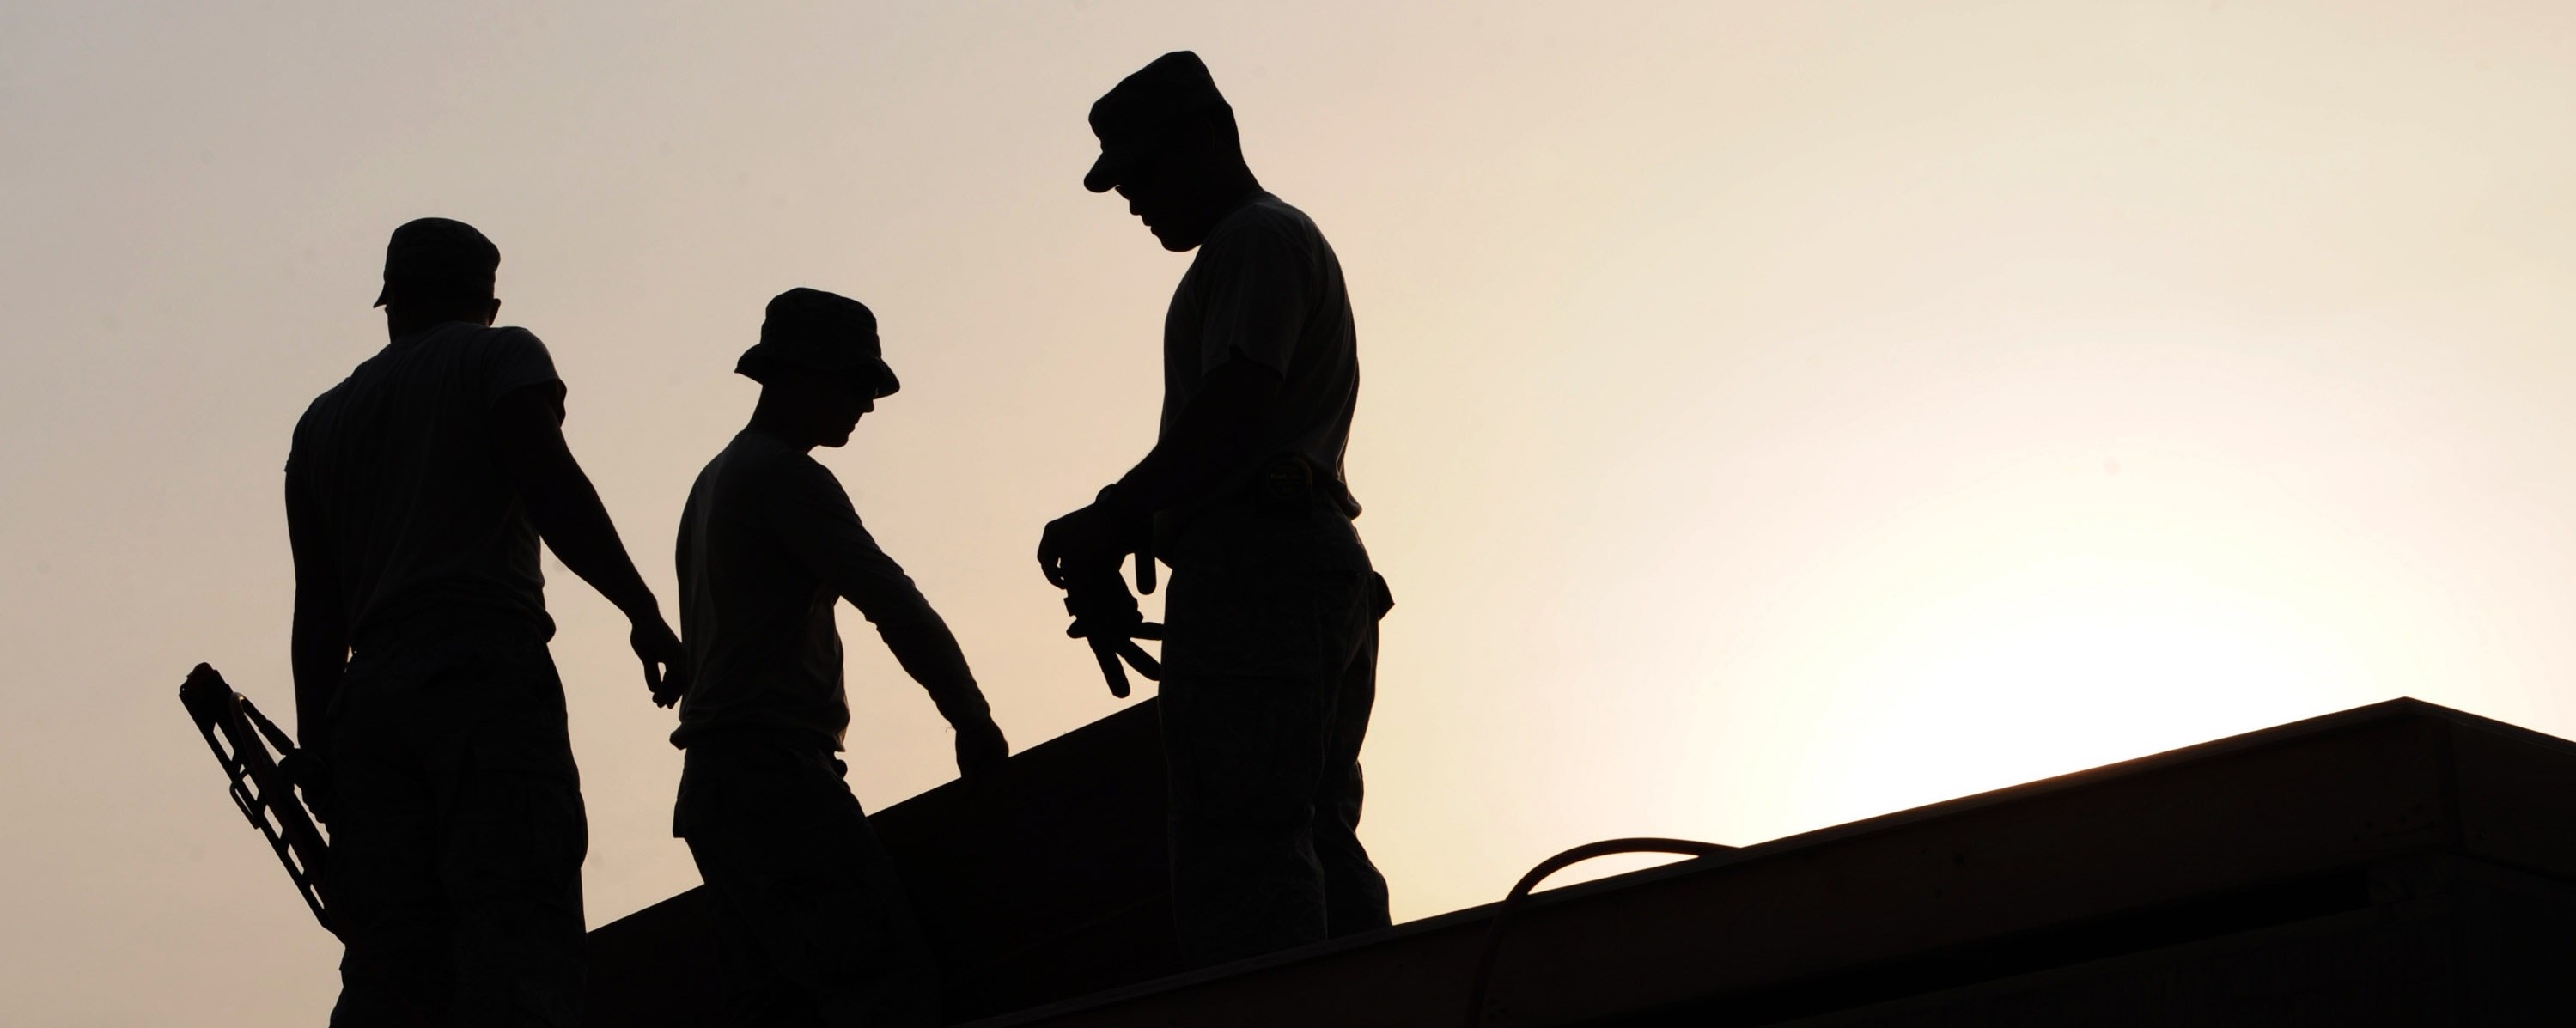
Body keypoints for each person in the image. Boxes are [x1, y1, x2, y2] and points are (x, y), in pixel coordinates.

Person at [283, 217, 688, 1025]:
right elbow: (551, 486)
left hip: (368, 702)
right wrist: (640, 609)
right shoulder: (496, 356)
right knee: (517, 930)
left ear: (391, 302)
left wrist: (319, 747)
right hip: (479, 673)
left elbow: (317, 611)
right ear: (488, 302)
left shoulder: (320, 423)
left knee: (389, 961)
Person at [1037, 51, 1394, 966]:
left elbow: (1238, 402)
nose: (1131, 201)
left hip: (1266, 569)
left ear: (1205, 140)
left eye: (1141, 174)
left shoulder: (1254, 239)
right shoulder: (1251, 250)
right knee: (1310, 837)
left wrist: (1116, 518)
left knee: (1243, 853)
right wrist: (1142, 533)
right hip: (1293, 565)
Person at [671, 288, 1010, 1026]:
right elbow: (892, 601)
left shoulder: (714, 480)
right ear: (800, 375)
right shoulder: (784, 477)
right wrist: (971, 716)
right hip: (772, 779)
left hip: (718, 789)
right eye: (855, 384)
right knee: (882, 986)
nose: (868, 403)